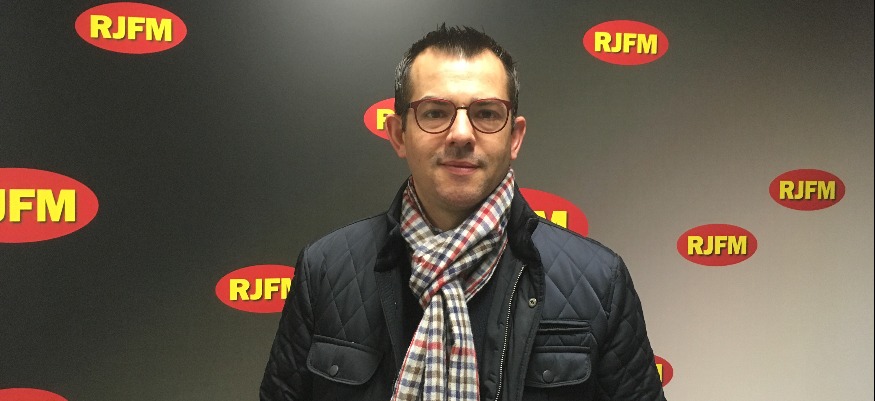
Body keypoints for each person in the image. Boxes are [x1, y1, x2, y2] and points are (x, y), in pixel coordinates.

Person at [260, 24, 666, 401]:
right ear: (399, 135)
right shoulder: (325, 271)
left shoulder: (600, 281)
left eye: (486, 113)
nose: (460, 134)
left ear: (514, 137)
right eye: (435, 112)